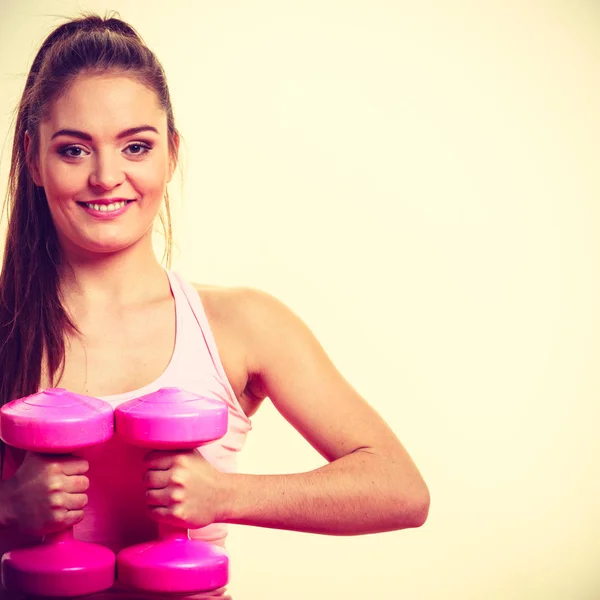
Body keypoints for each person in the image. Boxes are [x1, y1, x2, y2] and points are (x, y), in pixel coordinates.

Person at [0, 12, 429, 598]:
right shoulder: (9, 325)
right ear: (33, 159)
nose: (107, 176)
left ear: (170, 154)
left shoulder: (240, 325)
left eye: (136, 146)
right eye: (74, 150)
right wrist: (7, 509)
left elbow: (399, 489)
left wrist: (227, 496)